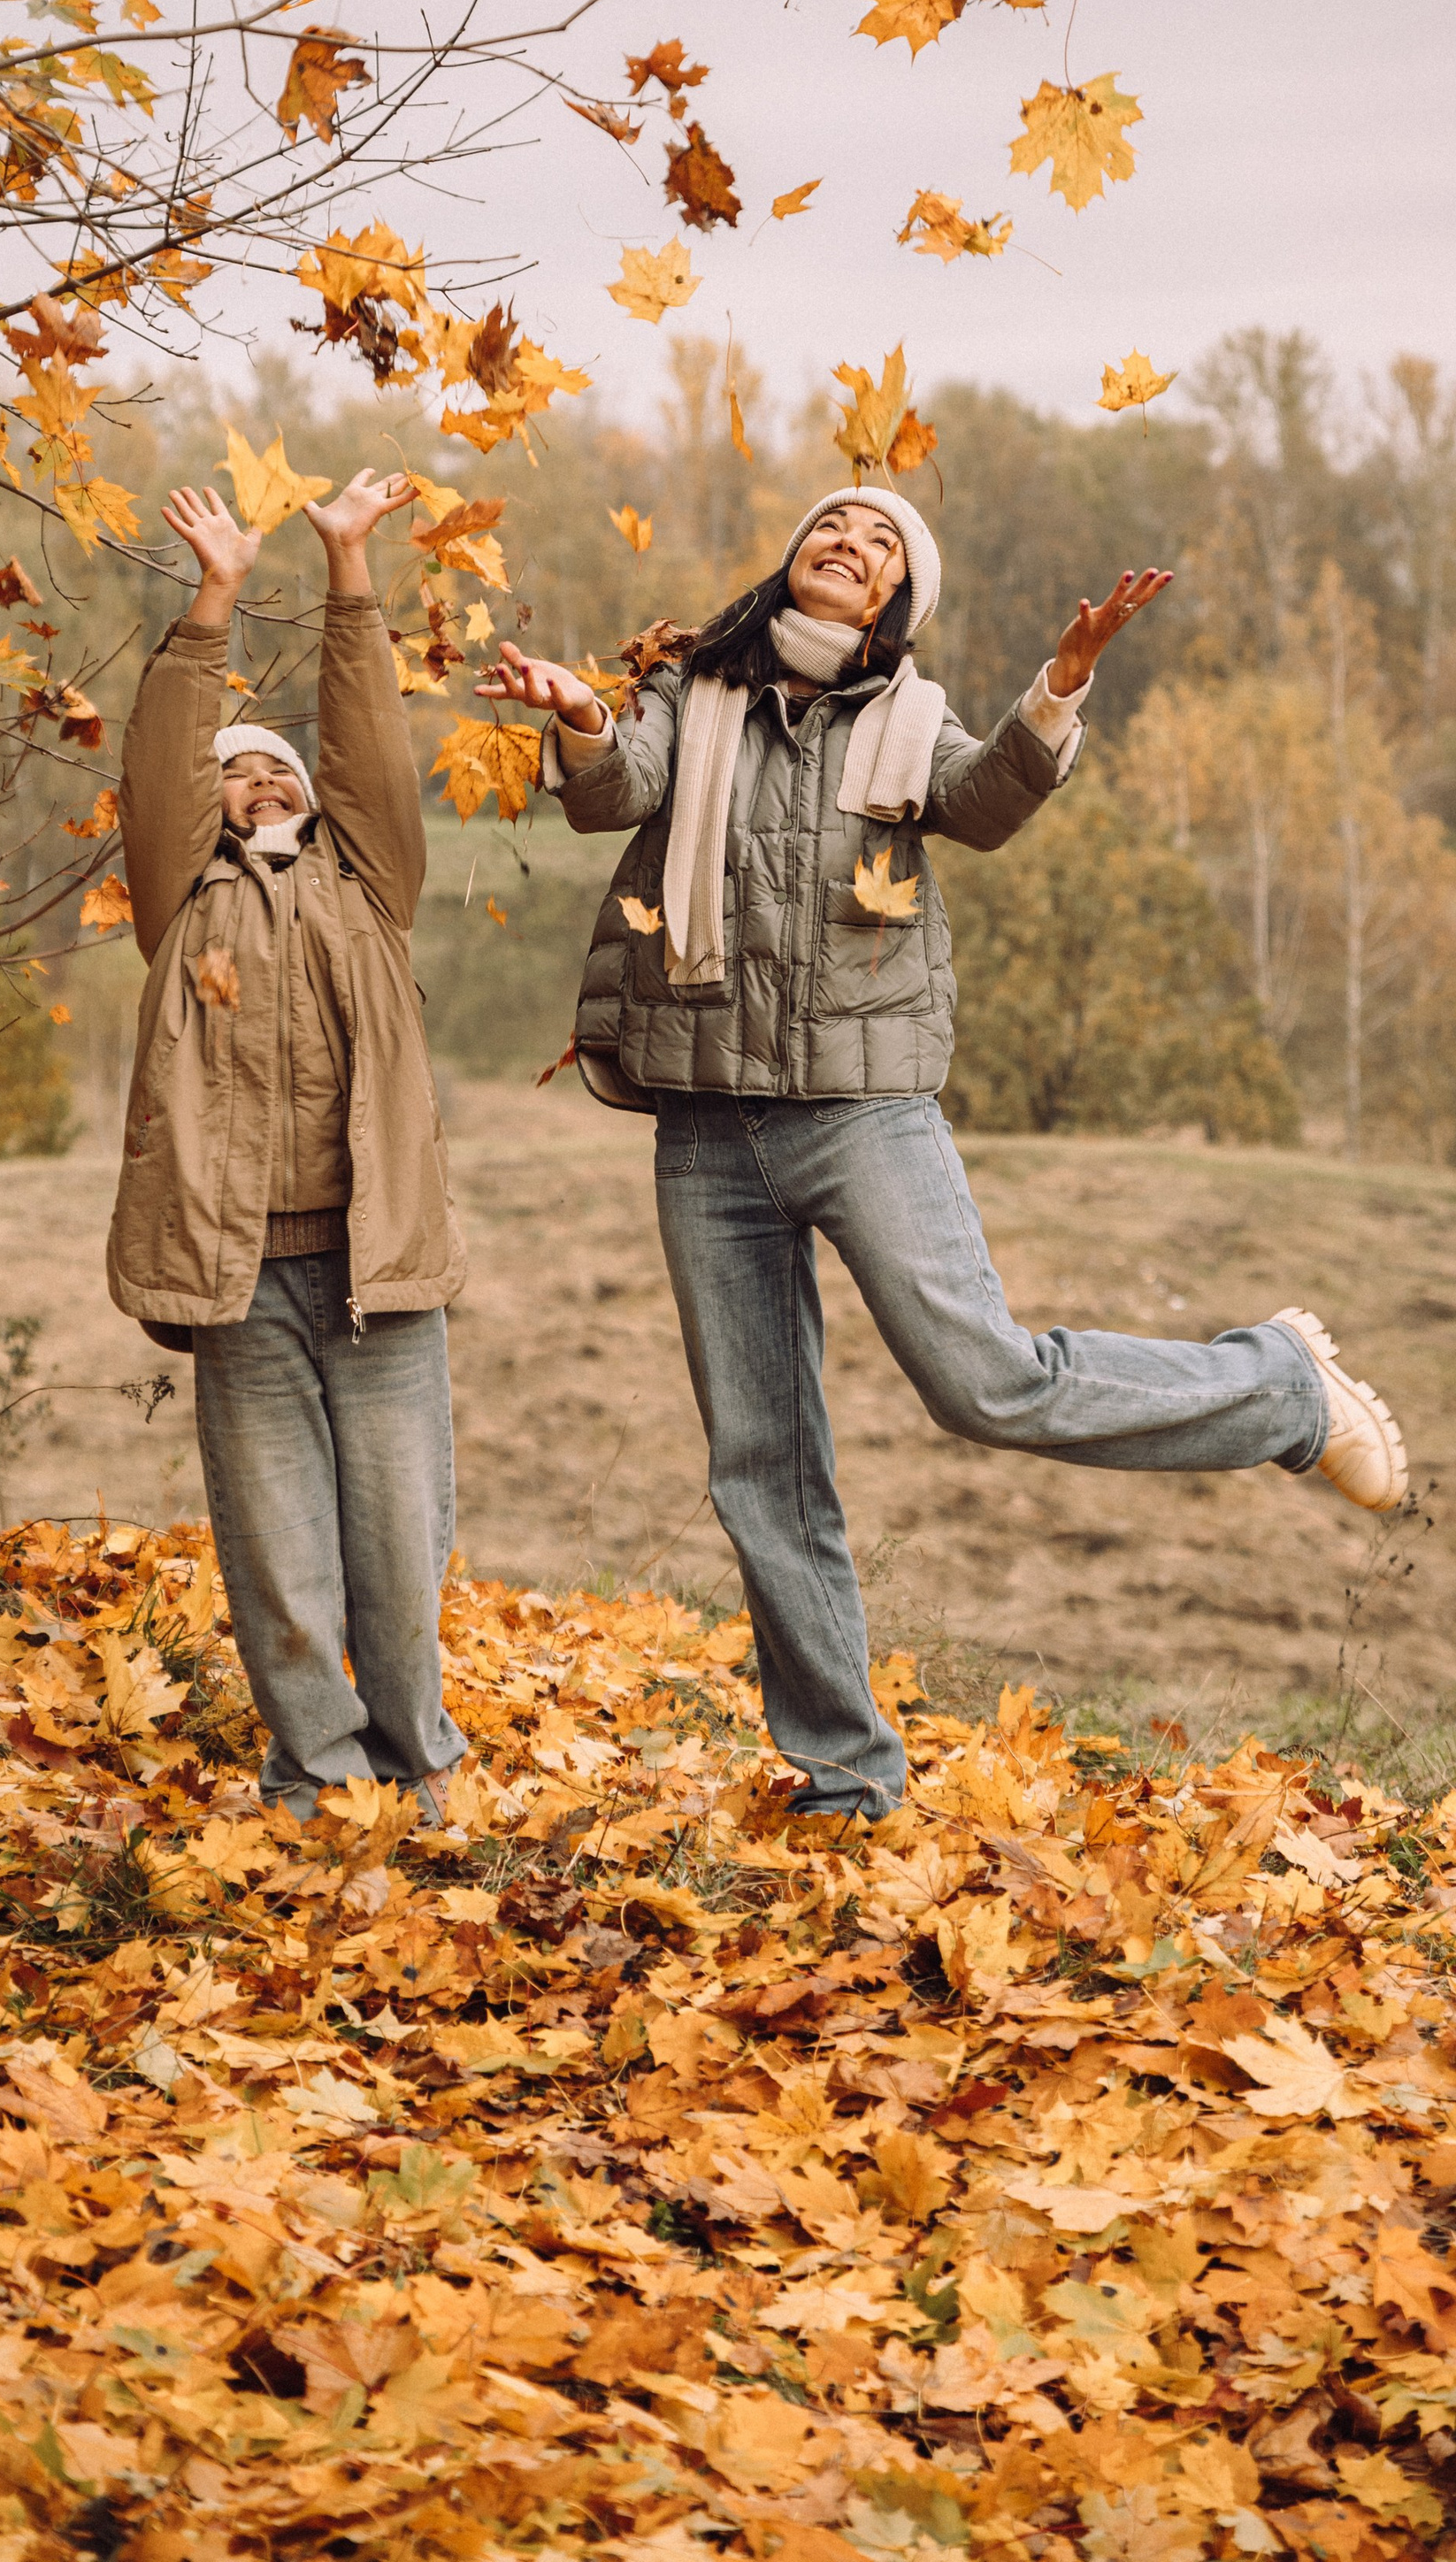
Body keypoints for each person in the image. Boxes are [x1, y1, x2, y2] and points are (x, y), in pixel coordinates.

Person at [478, 483, 1407, 1822]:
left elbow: (981, 806)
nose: (847, 548)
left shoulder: (909, 719)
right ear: (791, 562)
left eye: (880, 547)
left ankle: (1279, 1393)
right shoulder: (696, 698)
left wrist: (1060, 689)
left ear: (900, 600)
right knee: (761, 1460)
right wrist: (577, 716)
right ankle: (845, 1774)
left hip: (866, 1110)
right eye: (830, 531)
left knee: (985, 1382)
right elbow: (614, 787)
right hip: (705, 1120)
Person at [109, 466, 467, 1822]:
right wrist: (213, 595)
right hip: (237, 1274)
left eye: (275, 769)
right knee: (275, 1548)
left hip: (378, 1271)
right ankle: (314, 1778)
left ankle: (420, 1762)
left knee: (396, 1539)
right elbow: (159, 760)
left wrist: (349, 572)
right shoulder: (176, 899)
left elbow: (368, 739)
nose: (255, 779)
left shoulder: (372, 884)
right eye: (233, 772)